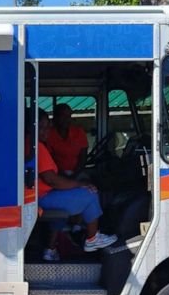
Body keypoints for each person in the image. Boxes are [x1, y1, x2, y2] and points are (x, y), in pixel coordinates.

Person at [36, 109, 116, 260]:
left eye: (48, 126)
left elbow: (80, 159)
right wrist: (78, 184)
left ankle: (50, 249)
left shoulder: (31, 143)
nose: (47, 130)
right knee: (90, 193)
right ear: (32, 127)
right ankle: (92, 238)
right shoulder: (38, 147)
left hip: (40, 194)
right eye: (42, 127)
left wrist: (75, 180)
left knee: (80, 191)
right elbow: (51, 179)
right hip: (42, 197)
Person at [45, 103, 89, 177]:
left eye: (69, 116)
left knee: (89, 186)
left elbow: (83, 157)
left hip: (78, 173)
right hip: (56, 173)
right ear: (55, 117)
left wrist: (75, 175)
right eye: (63, 115)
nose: (67, 119)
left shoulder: (79, 132)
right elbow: (50, 159)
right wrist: (62, 175)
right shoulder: (48, 135)